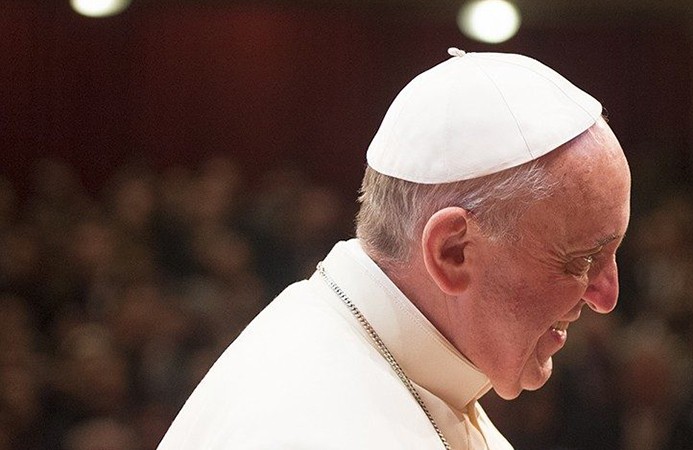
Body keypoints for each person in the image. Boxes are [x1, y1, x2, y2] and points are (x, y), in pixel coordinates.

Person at [159, 49, 631, 449]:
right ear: (453, 252)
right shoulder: (319, 427)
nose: (606, 296)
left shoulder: (400, 364)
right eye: (582, 259)